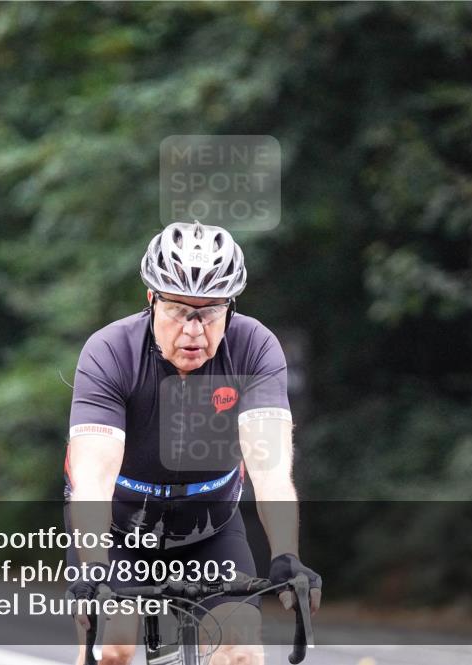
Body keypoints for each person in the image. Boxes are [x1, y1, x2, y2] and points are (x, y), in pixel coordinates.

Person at [65, 220, 321, 665]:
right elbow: (92, 479)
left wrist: (286, 553)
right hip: (120, 530)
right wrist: (92, 564)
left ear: (231, 307)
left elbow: (270, 469)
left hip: (210, 527)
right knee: (118, 644)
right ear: (151, 300)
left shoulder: (255, 349)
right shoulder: (109, 352)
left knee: (241, 651)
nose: (193, 331)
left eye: (210, 312)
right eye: (179, 311)